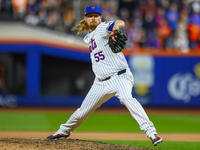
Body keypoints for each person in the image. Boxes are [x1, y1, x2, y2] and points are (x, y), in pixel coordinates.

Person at [46, 5, 163, 146]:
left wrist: (114, 30)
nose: (93, 18)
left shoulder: (103, 28)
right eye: (90, 16)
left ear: (100, 18)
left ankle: (151, 133)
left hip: (120, 77)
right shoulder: (88, 38)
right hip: (100, 83)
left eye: (96, 16)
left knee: (127, 98)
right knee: (82, 111)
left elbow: (120, 23)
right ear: (85, 19)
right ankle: (63, 131)